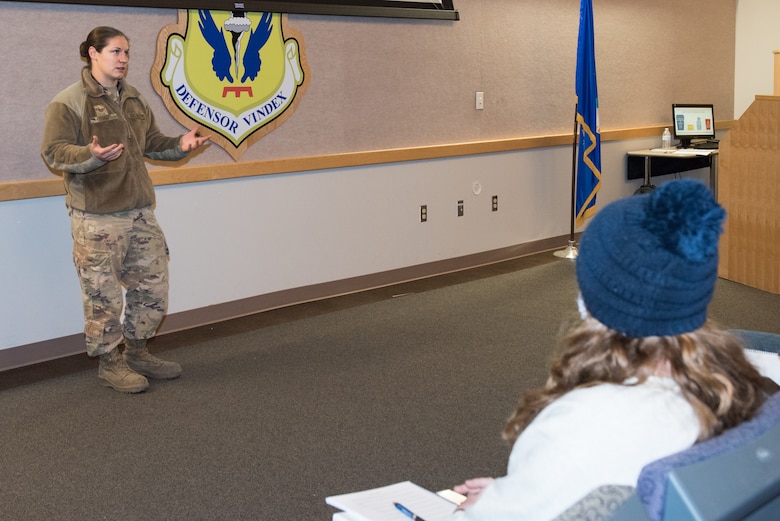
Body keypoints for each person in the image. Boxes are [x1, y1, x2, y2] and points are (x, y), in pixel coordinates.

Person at [449, 180, 774, 521]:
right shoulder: (757, 376)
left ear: (591, 301)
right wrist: (510, 494)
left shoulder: (581, 427)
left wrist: (487, 508)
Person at [41, 27, 210, 394]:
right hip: (97, 217)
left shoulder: (133, 99)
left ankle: (137, 351)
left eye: (127, 53)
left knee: (152, 286)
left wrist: (180, 145)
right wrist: (91, 154)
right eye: (116, 51)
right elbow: (54, 152)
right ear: (92, 53)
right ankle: (110, 363)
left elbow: (151, 144)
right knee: (102, 296)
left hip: (139, 213)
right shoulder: (68, 101)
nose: (123, 59)